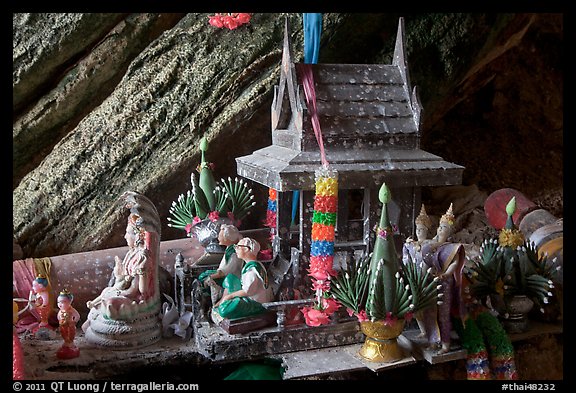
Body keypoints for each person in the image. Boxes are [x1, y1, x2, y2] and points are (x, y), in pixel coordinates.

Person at [82, 191, 162, 348]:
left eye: (128, 233)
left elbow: (141, 291)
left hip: (134, 297)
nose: (125, 237)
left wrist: (122, 290)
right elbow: (122, 281)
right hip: (124, 291)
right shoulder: (130, 255)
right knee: (106, 296)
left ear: (138, 236)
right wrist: (119, 279)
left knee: (110, 303)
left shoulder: (142, 258)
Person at [212, 237, 274, 322]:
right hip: (248, 292)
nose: (236, 249)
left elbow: (247, 292)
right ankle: (224, 300)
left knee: (224, 311)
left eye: (238, 247)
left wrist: (230, 296)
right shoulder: (251, 264)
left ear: (246, 249)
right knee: (230, 278)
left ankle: (226, 301)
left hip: (255, 302)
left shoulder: (252, 271)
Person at [198, 224, 243, 305]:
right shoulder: (229, 249)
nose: (218, 238)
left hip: (231, 278)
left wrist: (211, 276)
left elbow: (225, 272)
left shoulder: (234, 254)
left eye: (220, 236)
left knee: (205, 278)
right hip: (223, 273)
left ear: (228, 238)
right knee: (203, 275)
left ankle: (210, 301)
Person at [56, 289, 81, 359]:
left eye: (63, 302)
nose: (60, 304)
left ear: (70, 302)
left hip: (70, 325)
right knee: (63, 333)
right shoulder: (61, 311)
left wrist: (74, 321)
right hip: (62, 325)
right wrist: (60, 321)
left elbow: (77, 316)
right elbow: (58, 316)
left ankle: (70, 342)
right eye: (58, 302)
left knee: (70, 333)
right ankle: (66, 341)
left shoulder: (71, 310)